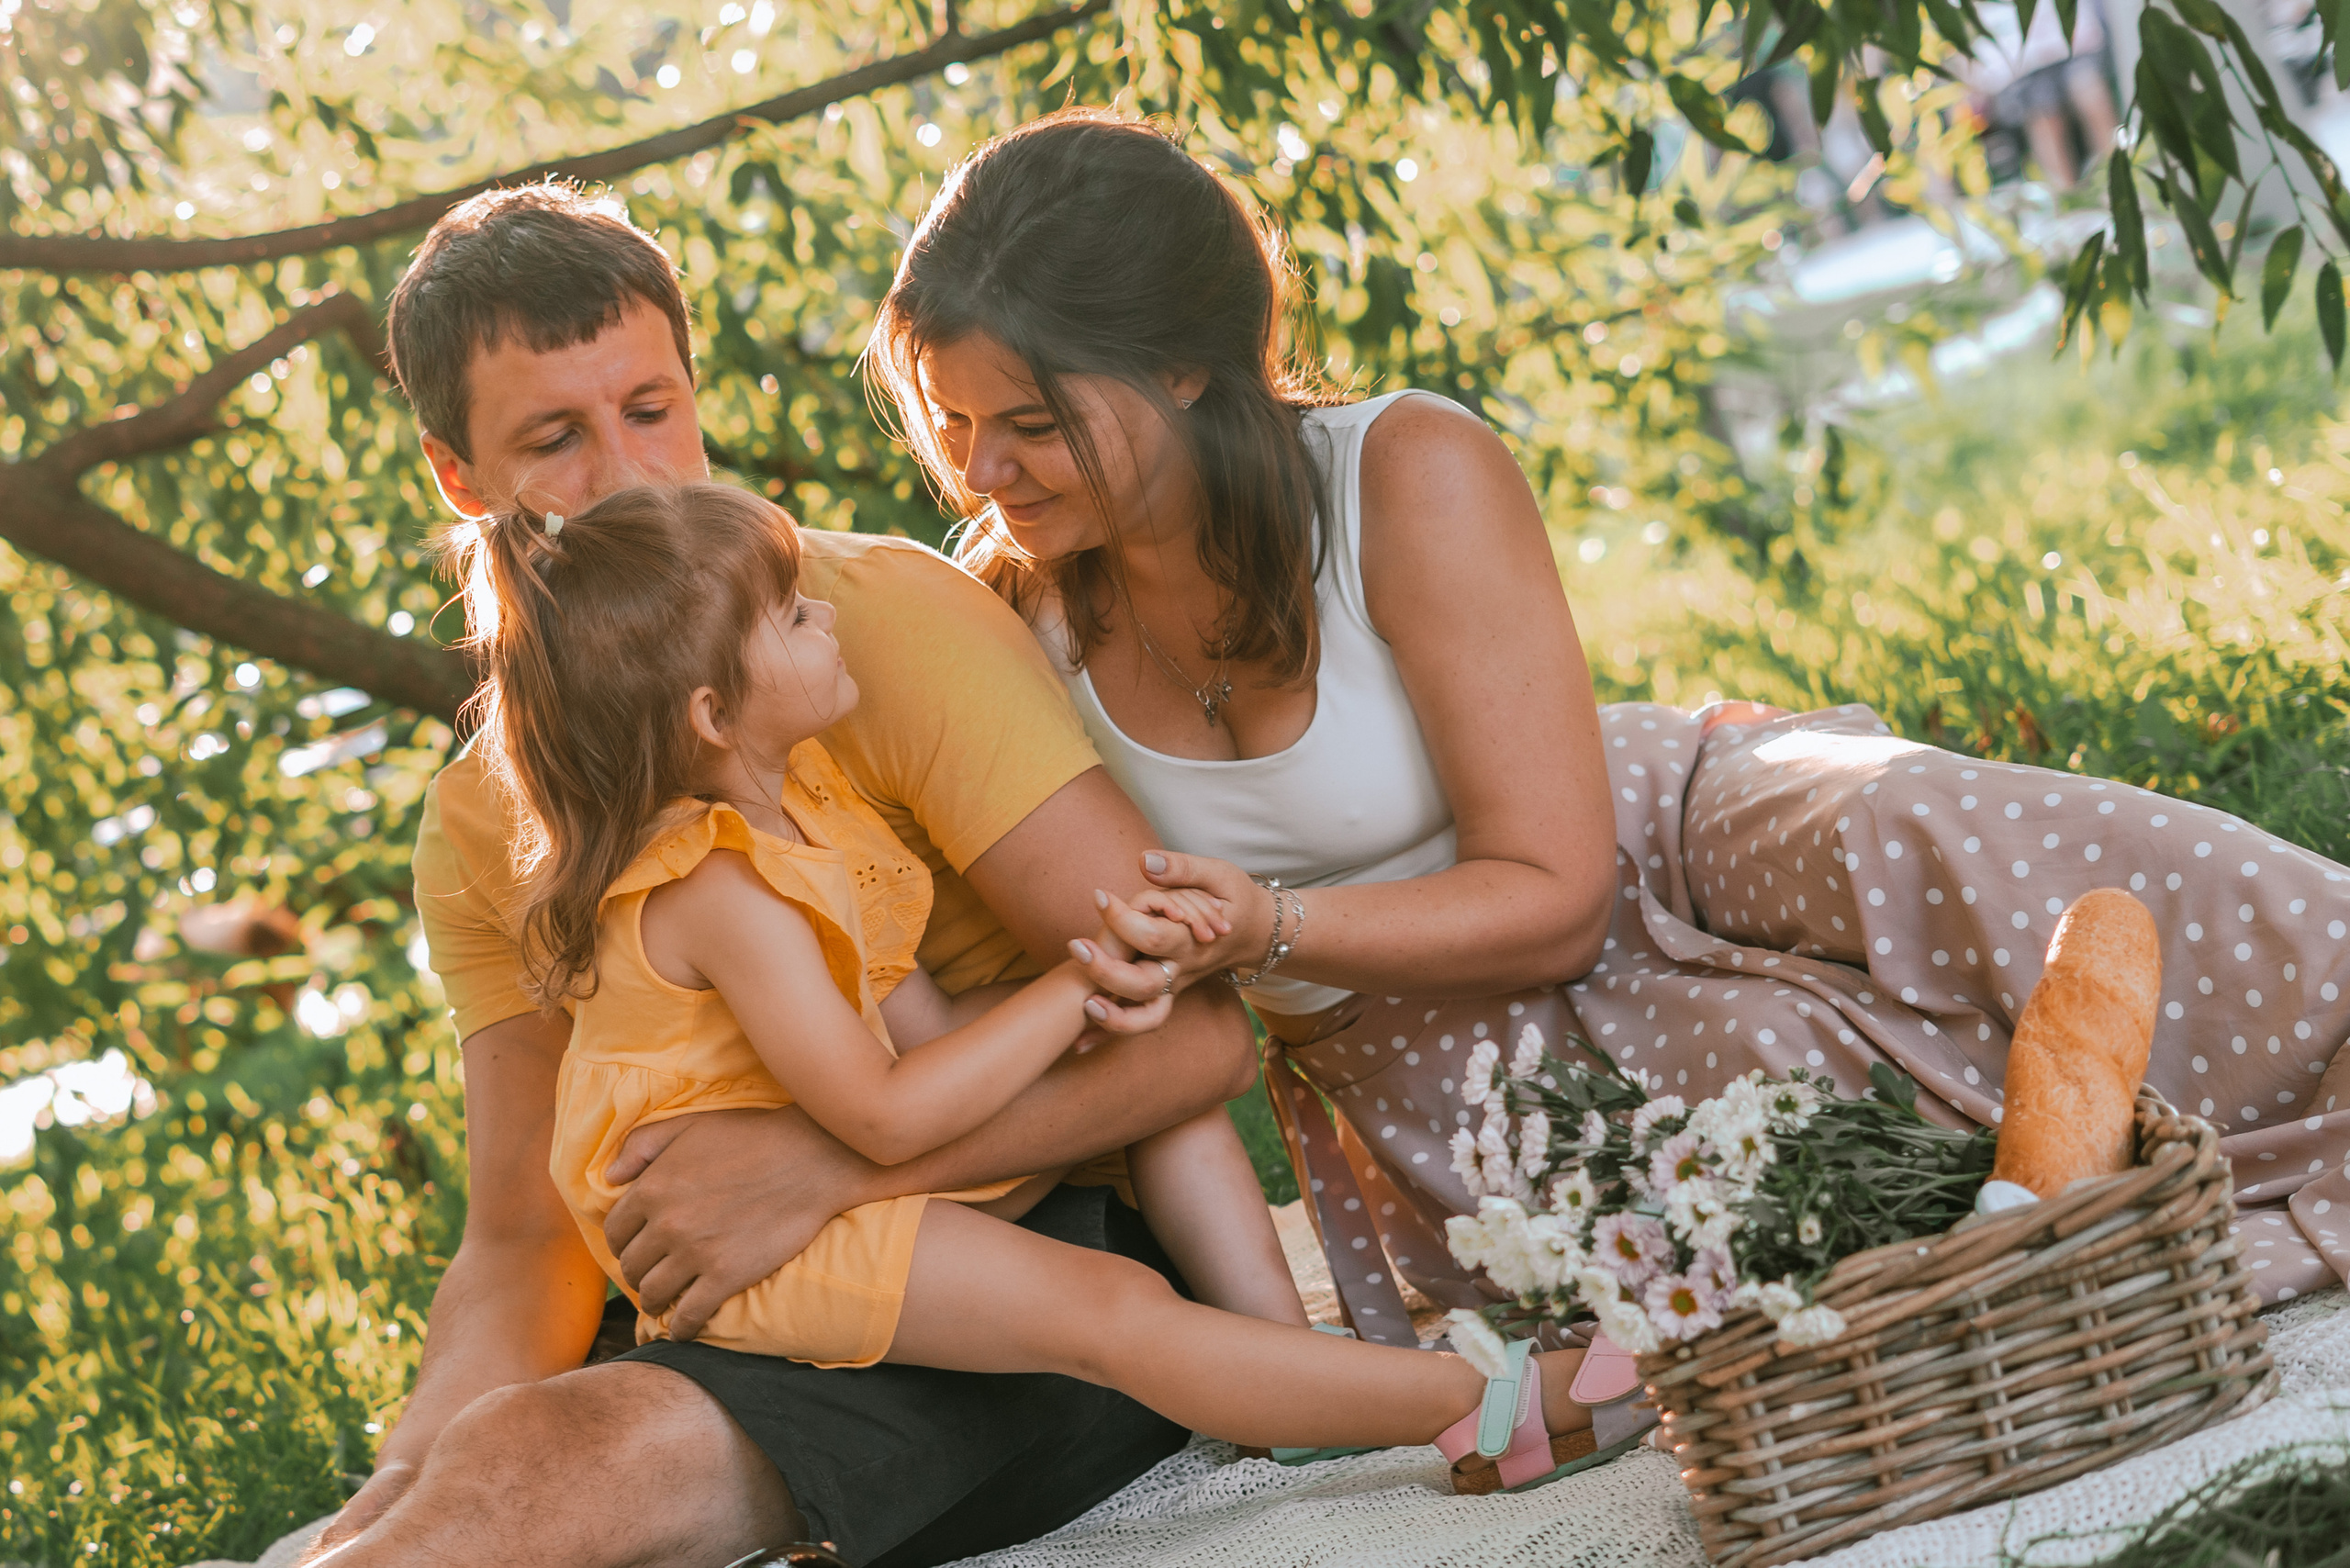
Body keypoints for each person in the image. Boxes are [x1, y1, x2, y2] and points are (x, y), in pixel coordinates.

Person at [864, 108, 2350, 1347]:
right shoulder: (1015, 626)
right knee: (1849, 1159)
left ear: (1182, 368)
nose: (984, 469)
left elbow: (1561, 888)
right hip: (1438, 1054)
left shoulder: (1401, 473)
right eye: (951, 419)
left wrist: (1264, 916)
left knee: (1930, 823)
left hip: (1655, 827)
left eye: (1033, 423)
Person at [313, 182, 1270, 1568]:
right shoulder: (480, 817)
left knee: (569, 1467)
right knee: (486, 1468)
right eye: (554, 439)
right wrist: (396, 1478)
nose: (632, 476)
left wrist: (826, 1170)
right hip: (752, 1296)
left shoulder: (871, 629)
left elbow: (1193, 1034)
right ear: (460, 478)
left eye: (652, 408)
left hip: (1038, 1247)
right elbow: (526, 1236)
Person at [453, 477, 1621, 1484]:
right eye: (789, 617)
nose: (824, 618)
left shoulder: (809, 808)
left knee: (1144, 1081)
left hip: (848, 1142)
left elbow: (924, 1030)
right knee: (1113, 1315)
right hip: (755, 1238)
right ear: (714, 712)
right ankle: (1486, 1400)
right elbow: (887, 1111)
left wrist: (1096, 1000)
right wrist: (1078, 988)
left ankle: (1297, 1386)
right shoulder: (722, 893)